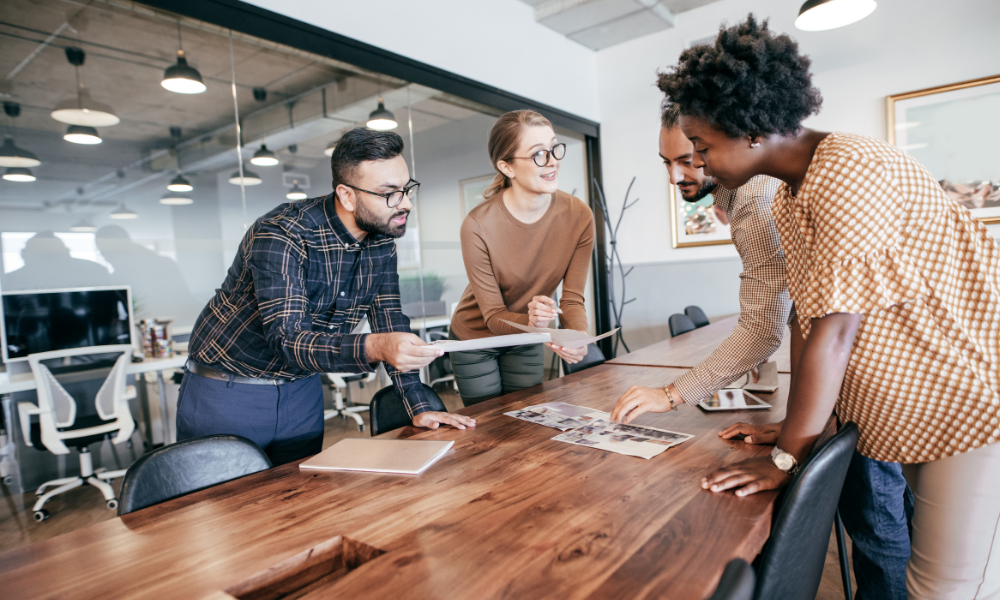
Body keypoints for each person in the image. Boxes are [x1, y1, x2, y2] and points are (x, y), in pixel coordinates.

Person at [657, 15, 1000, 600]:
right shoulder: (796, 194)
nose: (698, 163)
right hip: (913, 410)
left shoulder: (848, 171)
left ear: (753, 131)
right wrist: (795, 430)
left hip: (963, 402)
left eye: (703, 146)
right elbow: (807, 319)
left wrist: (790, 457)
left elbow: (836, 333)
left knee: (943, 589)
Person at [179, 128, 475, 466]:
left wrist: (418, 406)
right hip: (229, 390)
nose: (405, 203)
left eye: (407, 189)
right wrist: (375, 347)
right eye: (389, 193)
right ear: (347, 196)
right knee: (224, 511)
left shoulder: (381, 243)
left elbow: (391, 323)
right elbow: (287, 340)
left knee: (298, 503)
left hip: (302, 390)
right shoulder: (282, 232)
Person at [610, 103, 792, 425]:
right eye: (666, 163)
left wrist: (669, 395)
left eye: (687, 159)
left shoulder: (754, 199)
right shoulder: (750, 192)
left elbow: (763, 329)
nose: (674, 177)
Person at [448, 110, 595, 406]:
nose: (552, 161)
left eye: (554, 148)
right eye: (539, 154)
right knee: (489, 426)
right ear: (507, 166)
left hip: (529, 334)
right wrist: (535, 322)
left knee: (527, 420)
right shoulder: (477, 225)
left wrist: (576, 336)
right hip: (476, 337)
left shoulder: (579, 215)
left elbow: (571, 300)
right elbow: (493, 317)